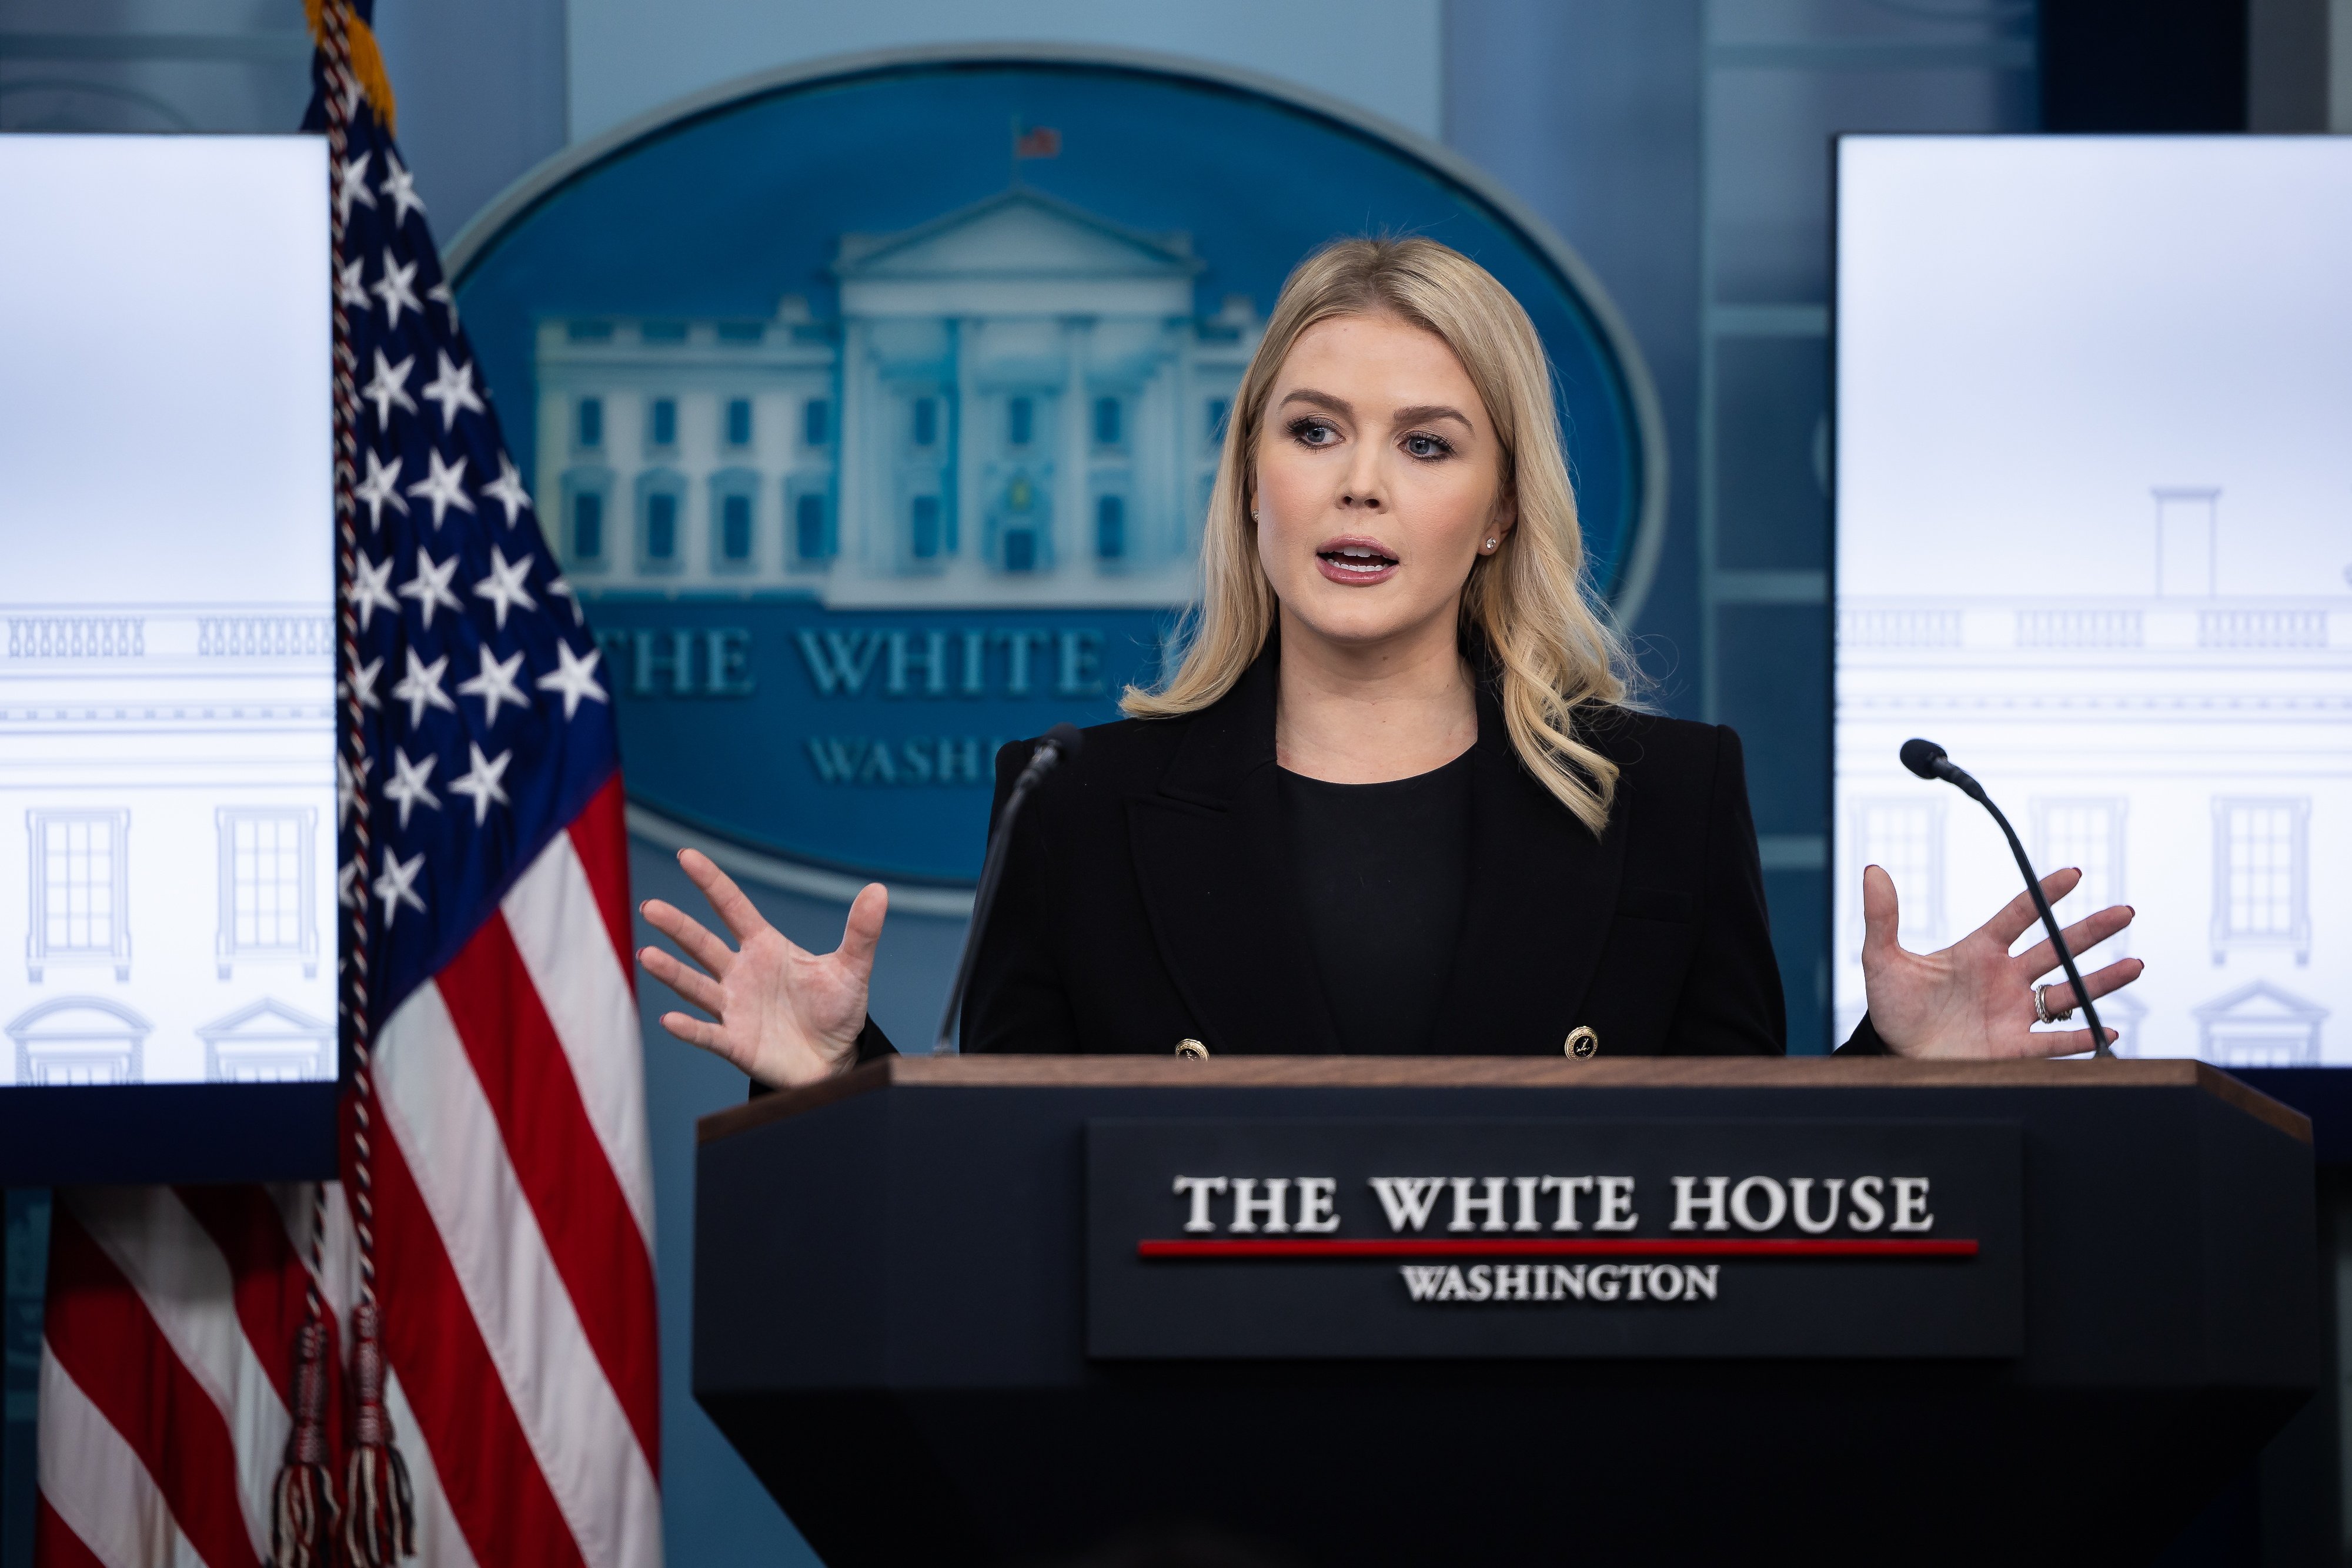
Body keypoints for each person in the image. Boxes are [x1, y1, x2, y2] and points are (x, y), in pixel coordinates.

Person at [636, 238, 2144, 1089]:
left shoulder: (1671, 797)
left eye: (1424, 444)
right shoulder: (1076, 803)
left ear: (1494, 511)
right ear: (1251, 479)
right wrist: (829, 1078)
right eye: (1314, 432)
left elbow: (1731, 1201)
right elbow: (999, 1205)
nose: (1359, 484)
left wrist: (1892, 1064)